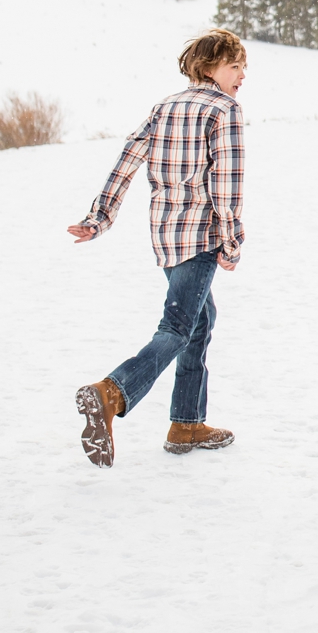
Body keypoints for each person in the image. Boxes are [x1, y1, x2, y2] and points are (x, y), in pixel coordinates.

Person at [68, 29, 248, 466]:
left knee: (202, 319)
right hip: (200, 233)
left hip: (165, 234)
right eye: (234, 66)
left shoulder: (164, 106)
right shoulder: (225, 111)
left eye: (244, 67)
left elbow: (128, 160)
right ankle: (112, 392)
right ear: (209, 68)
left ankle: (186, 423)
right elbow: (226, 183)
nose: (242, 75)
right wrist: (231, 239)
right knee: (178, 327)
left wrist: (100, 217)